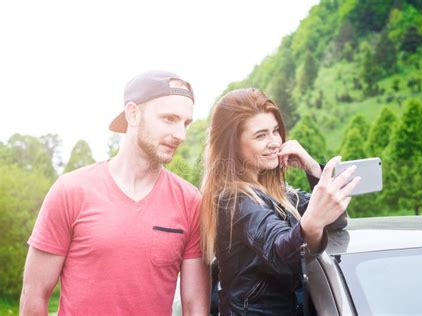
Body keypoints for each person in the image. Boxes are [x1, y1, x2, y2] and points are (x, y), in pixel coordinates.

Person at [20, 70, 210, 315]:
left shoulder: (191, 201)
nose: (180, 135)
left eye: (186, 123)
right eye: (169, 119)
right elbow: (34, 296)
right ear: (133, 113)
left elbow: (196, 306)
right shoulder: (71, 190)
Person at [200, 88, 360, 315]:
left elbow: (336, 221)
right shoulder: (233, 200)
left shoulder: (279, 193)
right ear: (232, 144)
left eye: (275, 131)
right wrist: (312, 223)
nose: (274, 142)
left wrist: (313, 169)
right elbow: (283, 254)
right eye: (260, 135)